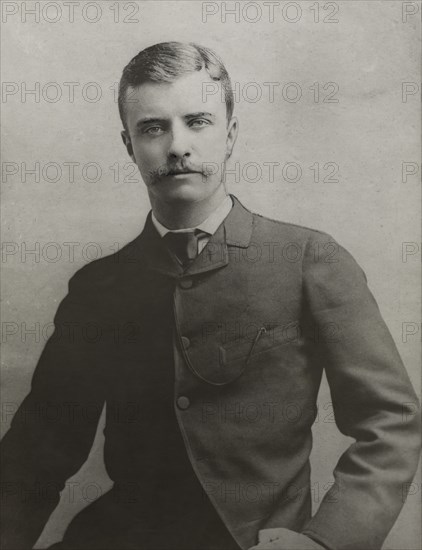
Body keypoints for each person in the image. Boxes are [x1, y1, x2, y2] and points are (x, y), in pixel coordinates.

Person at [1, 41, 420, 550]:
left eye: (197, 121)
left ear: (231, 134)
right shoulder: (98, 289)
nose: (177, 146)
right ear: (128, 145)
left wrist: (325, 543)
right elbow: (37, 450)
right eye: (153, 127)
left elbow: (390, 423)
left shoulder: (309, 259)